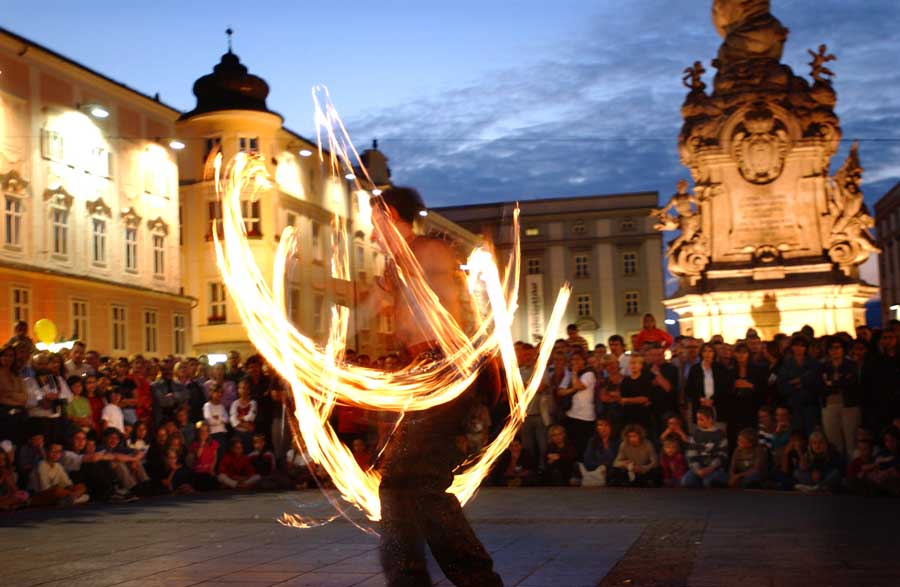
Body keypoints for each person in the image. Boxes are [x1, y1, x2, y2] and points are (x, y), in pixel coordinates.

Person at [367, 186, 502, 586]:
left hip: (442, 368)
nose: (372, 235)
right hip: (424, 374)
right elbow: (372, 309)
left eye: (375, 225)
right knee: (401, 486)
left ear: (390, 215)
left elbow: (445, 307)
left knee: (414, 484)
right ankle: (415, 579)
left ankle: (475, 580)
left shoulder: (427, 251)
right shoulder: (399, 265)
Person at [819, 339, 861, 457]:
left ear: (843, 350)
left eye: (838, 347)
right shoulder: (823, 366)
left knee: (851, 440)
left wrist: (832, 383)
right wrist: (837, 382)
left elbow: (851, 383)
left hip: (849, 405)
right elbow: (820, 386)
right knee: (833, 441)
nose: (835, 351)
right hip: (829, 405)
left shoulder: (851, 365)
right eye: (832, 348)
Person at [777, 335, 821, 435]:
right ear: (792, 347)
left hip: (811, 404)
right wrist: (796, 384)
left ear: (806, 348)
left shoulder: (814, 363)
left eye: (802, 346)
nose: (799, 348)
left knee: (812, 433)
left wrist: (801, 381)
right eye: (796, 345)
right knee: (797, 433)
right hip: (794, 405)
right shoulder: (787, 364)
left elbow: (818, 382)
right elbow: (781, 385)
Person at [557, 351, 597, 459]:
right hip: (571, 414)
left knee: (584, 445)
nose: (575, 362)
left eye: (578, 359)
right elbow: (560, 391)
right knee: (573, 445)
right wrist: (573, 389)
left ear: (584, 361)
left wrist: (574, 373)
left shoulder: (589, 374)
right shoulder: (568, 374)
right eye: (573, 360)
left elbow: (579, 386)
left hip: (586, 416)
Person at [685, 343, 732, 432]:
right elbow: (689, 389)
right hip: (700, 406)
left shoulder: (721, 368)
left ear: (714, 353)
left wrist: (713, 400)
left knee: (718, 433)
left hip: (718, 407)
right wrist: (700, 398)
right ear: (701, 353)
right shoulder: (695, 369)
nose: (707, 354)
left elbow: (726, 389)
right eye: (705, 351)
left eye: (710, 351)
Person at [29, 442, 90, 506]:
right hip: (41, 495)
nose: (56, 454)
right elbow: (45, 488)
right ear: (46, 451)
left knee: (81, 487)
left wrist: (74, 490)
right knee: (57, 491)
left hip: (60, 493)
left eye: (59, 452)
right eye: (53, 451)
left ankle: (70, 500)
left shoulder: (58, 465)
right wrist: (70, 493)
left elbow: (68, 483)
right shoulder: (41, 464)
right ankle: (72, 499)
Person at [682, 406, 729, 488]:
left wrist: (710, 468)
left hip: (714, 469)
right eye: (697, 419)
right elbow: (691, 454)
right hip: (699, 468)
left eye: (701, 419)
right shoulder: (696, 434)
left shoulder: (720, 434)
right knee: (686, 481)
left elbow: (722, 455)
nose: (698, 422)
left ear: (710, 419)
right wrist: (698, 470)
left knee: (709, 482)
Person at [0, 343, 29, 445]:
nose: (8, 358)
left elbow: (25, 397)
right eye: (5, 355)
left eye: (11, 355)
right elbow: (1, 398)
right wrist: (16, 397)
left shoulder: (16, 374)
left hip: (19, 412)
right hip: (4, 414)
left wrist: (10, 394)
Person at [578, 417, 618, 487]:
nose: (603, 428)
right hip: (596, 472)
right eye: (600, 425)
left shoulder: (617, 441)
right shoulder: (592, 441)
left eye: (606, 425)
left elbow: (618, 460)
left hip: (612, 473)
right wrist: (601, 466)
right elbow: (588, 460)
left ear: (611, 427)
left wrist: (606, 466)